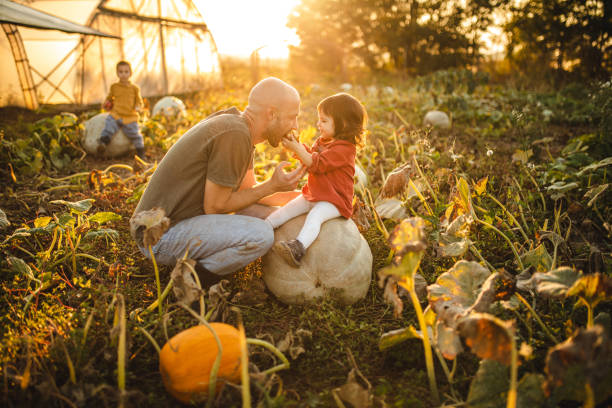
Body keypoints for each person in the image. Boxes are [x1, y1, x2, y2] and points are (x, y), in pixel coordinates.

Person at [130, 77, 305, 278]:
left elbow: (250, 193)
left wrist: (307, 197)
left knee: (259, 212)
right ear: (272, 113)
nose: (296, 126)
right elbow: (215, 206)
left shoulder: (239, 127)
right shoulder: (235, 135)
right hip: (160, 237)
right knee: (261, 235)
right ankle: (194, 281)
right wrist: (273, 185)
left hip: (175, 225)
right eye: (292, 117)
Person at [266, 93, 367, 267]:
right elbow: (310, 155)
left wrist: (298, 149)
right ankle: (264, 228)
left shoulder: (345, 149)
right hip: (314, 193)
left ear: (343, 124)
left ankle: (298, 248)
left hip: (334, 201)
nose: (318, 124)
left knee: (315, 216)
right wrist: (296, 144)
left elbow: (317, 164)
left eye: (324, 121)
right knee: (286, 210)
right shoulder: (323, 141)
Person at [98, 60, 145, 159]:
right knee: (109, 124)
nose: (123, 74)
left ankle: (141, 152)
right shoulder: (114, 87)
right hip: (116, 114)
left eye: (126, 72)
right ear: (117, 73)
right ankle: (103, 142)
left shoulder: (134, 88)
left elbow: (139, 101)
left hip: (130, 116)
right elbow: (109, 98)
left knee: (135, 134)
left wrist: (138, 107)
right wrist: (107, 103)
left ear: (130, 73)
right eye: (121, 72)